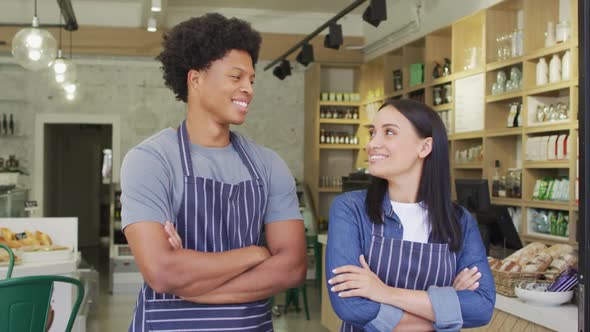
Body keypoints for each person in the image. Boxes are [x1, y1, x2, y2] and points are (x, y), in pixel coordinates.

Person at [120, 13, 307, 331]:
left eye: (251, 80)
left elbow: (292, 267)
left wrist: (191, 283)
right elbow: (162, 272)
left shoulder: (269, 164)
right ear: (195, 79)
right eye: (236, 78)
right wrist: (255, 253)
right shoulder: (150, 160)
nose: (248, 89)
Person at [325, 99, 495, 331]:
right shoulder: (350, 209)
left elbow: (482, 308)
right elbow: (351, 307)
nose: (373, 143)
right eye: (373, 133)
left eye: (389, 132)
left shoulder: (460, 220)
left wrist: (384, 293)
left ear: (424, 147)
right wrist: (446, 310)